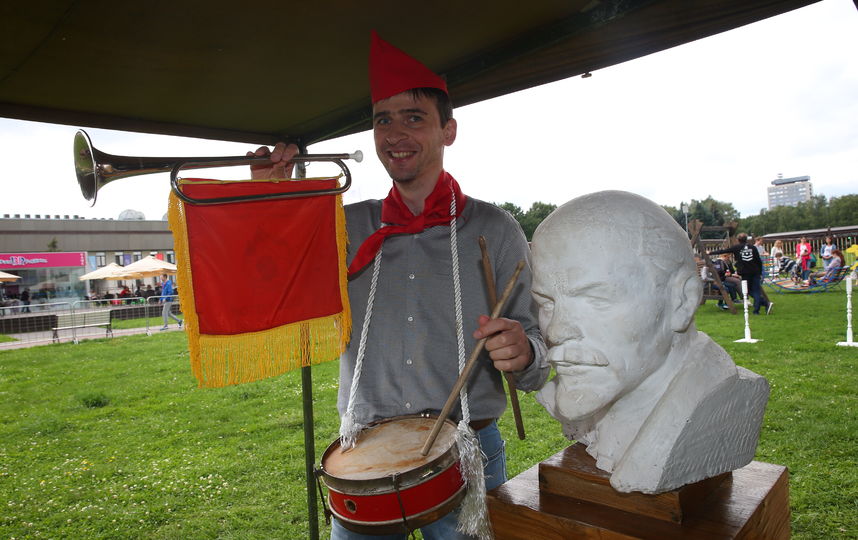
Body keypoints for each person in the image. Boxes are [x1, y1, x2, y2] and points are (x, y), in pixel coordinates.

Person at [251, 32, 548, 540]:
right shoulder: (345, 228)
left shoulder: (495, 230)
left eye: (414, 117)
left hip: (467, 450)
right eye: (382, 120)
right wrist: (271, 196)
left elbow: (537, 360)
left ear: (448, 130)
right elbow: (272, 282)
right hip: (363, 457)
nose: (394, 133)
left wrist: (522, 353)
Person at [531, 191, 770, 494]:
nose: (556, 330)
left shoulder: (721, 407)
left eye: (596, 298)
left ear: (682, 301)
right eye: (545, 302)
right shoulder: (588, 392)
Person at [709, 233, 772, 315]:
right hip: (755, 272)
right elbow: (758, 261)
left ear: (738, 240)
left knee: (748, 291)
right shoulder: (753, 247)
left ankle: (762, 306)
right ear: (746, 239)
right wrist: (760, 272)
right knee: (755, 290)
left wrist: (710, 253)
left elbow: (724, 251)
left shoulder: (737, 248)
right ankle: (759, 308)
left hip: (745, 273)